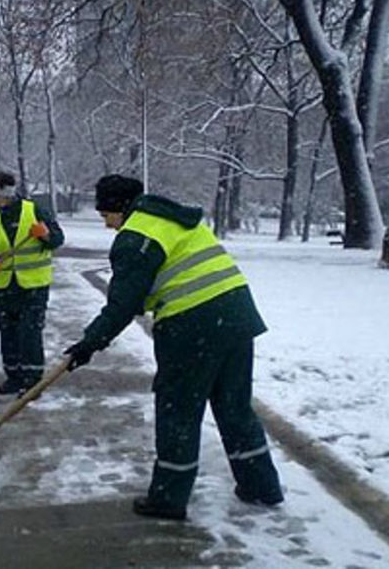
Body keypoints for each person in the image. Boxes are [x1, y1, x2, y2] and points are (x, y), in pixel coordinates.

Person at [64, 174, 283, 520]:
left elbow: (122, 305)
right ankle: (261, 486)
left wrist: (89, 344)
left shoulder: (135, 236)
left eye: (106, 215)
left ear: (121, 208)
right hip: (237, 317)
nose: (107, 225)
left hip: (192, 326)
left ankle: (168, 499)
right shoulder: (172, 219)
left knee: (178, 410)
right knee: (234, 407)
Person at [0, 171, 65, 395]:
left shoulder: (33, 210)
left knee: (30, 334)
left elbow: (57, 239)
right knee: (9, 334)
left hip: (33, 287)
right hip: (5, 287)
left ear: (9, 193)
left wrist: (45, 234)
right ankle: (14, 377)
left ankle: (33, 381)